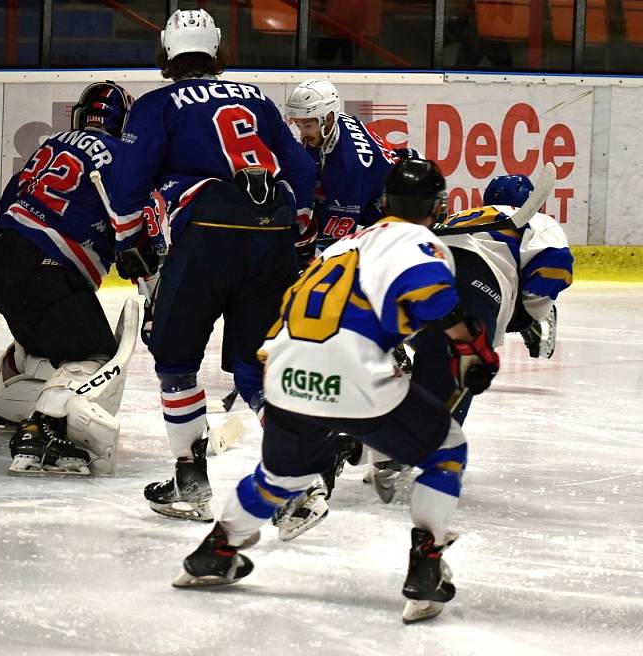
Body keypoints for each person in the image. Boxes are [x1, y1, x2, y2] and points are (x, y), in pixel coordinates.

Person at [172, 159, 501, 625]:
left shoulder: (342, 245)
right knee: (447, 448)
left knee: (280, 478)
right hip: (353, 375)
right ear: (436, 206)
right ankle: (426, 565)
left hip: (285, 376)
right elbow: (431, 297)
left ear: (385, 201)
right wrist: (475, 347)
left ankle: (216, 550)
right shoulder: (421, 242)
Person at [107, 9, 316, 522]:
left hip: (208, 237)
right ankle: (303, 488)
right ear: (218, 50)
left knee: (176, 361)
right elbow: (302, 167)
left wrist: (127, 238)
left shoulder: (157, 104)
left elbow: (127, 181)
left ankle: (190, 479)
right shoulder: (257, 99)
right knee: (255, 369)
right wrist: (300, 230)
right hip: (273, 236)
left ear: (167, 52)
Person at [367, 170, 574, 499]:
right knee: (461, 368)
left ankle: (360, 422)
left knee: (429, 355)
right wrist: (525, 313)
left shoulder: (461, 217)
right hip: (474, 284)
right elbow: (554, 267)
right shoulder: (536, 220)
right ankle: (396, 450)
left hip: (412, 280)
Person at [0, 81, 139, 476]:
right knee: (93, 355)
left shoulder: (51, 145)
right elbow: (132, 225)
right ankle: (41, 430)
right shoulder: (120, 156)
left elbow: (9, 202)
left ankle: (6, 398)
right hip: (44, 270)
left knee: (47, 329)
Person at [284, 79, 398, 261]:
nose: (303, 133)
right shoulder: (332, 126)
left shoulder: (347, 167)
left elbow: (334, 245)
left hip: (399, 205)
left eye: (307, 126)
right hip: (379, 181)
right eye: (299, 125)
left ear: (328, 118)